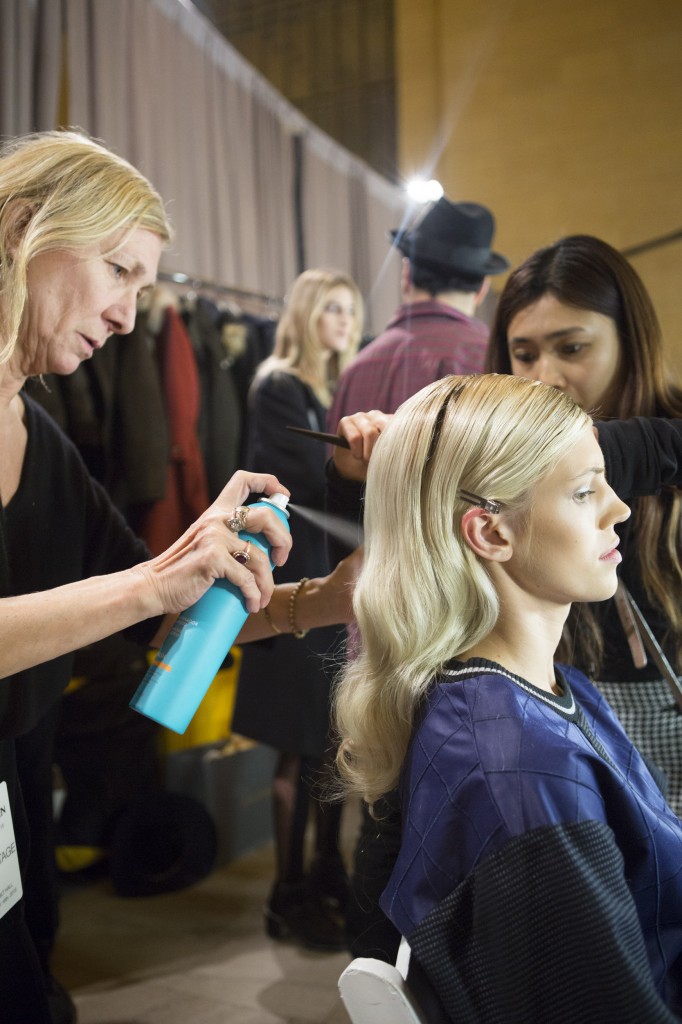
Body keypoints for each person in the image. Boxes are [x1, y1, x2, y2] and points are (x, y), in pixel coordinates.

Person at [0, 129, 356, 1024]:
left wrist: (324, 599)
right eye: (119, 271)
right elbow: (142, 595)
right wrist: (153, 582)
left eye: (143, 289)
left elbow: (153, 622)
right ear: (21, 229)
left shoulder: (43, 441)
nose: (128, 318)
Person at [333, 373, 682, 1022]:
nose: (621, 510)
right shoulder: (521, 776)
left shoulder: (545, 691)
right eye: (585, 493)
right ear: (491, 533)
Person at [486, 233, 682, 813]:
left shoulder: (665, 434)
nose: (544, 377)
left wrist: (598, 453)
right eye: (523, 355)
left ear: (629, 340)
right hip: (553, 728)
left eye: (571, 348)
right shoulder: (503, 463)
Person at [233, 268, 363, 950]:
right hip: (287, 591)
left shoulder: (331, 392)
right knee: (295, 747)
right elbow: (304, 483)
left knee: (327, 741)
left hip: (324, 592)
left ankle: (325, 873)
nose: (344, 321)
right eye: (332, 309)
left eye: (351, 310)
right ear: (307, 314)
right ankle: (287, 895)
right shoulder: (277, 383)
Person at [327, 196, 509, 430]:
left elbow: (333, 462)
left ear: (406, 274)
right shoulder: (493, 356)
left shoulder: (354, 370)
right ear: (482, 288)